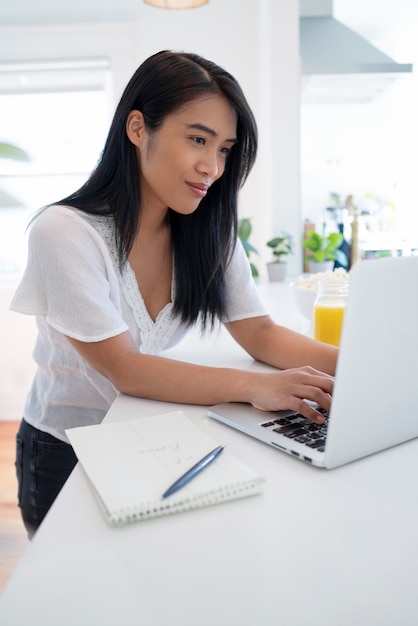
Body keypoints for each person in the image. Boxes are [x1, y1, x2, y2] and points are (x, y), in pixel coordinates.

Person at [10, 50, 337, 538]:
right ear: (138, 128)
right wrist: (256, 387)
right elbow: (126, 368)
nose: (213, 166)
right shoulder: (64, 232)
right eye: (198, 139)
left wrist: (365, 369)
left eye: (225, 148)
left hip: (155, 440)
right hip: (67, 451)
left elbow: (262, 333)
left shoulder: (207, 231)